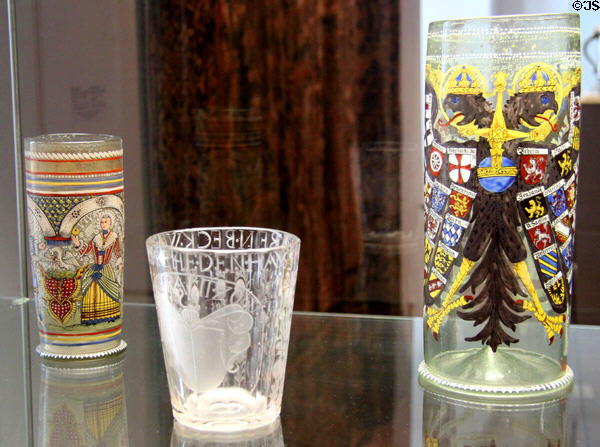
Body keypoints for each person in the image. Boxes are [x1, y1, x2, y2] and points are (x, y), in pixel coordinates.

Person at [73, 215, 122, 324]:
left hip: (106, 267)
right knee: (89, 287)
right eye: (102, 222)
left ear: (110, 224)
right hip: (95, 266)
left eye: (106, 222)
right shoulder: (96, 238)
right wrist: (78, 244)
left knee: (109, 288)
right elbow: (87, 250)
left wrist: (119, 264)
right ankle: (92, 317)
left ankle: (110, 315)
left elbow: (118, 251)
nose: (103, 224)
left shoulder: (114, 237)